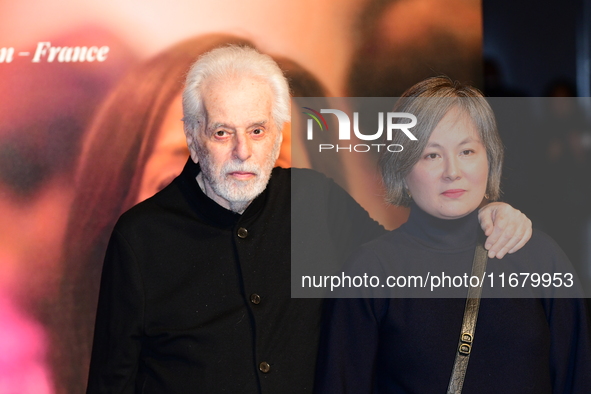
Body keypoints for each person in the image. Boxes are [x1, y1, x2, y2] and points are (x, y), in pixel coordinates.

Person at [86, 48, 532, 393]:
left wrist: (481, 216)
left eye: (257, 131)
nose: (243, 151)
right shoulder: (140, 237)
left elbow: (407, 267)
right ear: (193, 135)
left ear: (278, 133)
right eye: (223, 132)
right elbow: (113, 380)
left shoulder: (315, 199)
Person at [314, 77, 591, 393]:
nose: (452, 171)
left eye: (468, 151)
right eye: (431, 155)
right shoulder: (371, 270)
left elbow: (576, 377)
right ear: (402, 169)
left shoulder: (541, 258)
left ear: (490, 158)